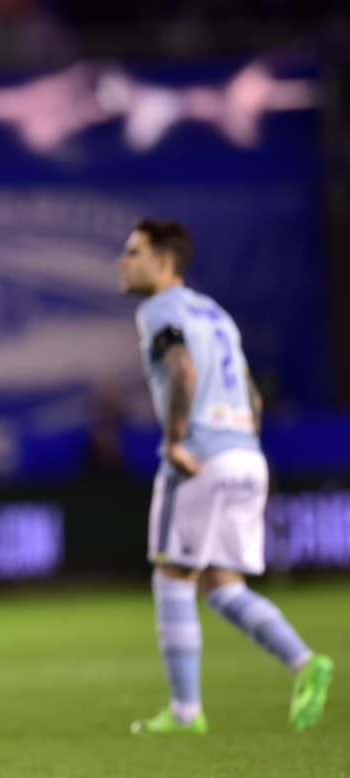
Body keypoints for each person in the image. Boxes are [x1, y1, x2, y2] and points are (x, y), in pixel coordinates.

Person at [119, 218, 333, 735]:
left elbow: (183, 370)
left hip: (200, 456)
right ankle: (306, 663)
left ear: (164, 260)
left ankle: (185, 713)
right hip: (245, 456)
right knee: (221, 585)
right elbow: (254, 395)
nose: (123, 262)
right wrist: (241, 439)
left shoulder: (159, 309)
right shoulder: (215, 312)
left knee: (172, 575)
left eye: (133, 252)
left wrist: (175, 441)